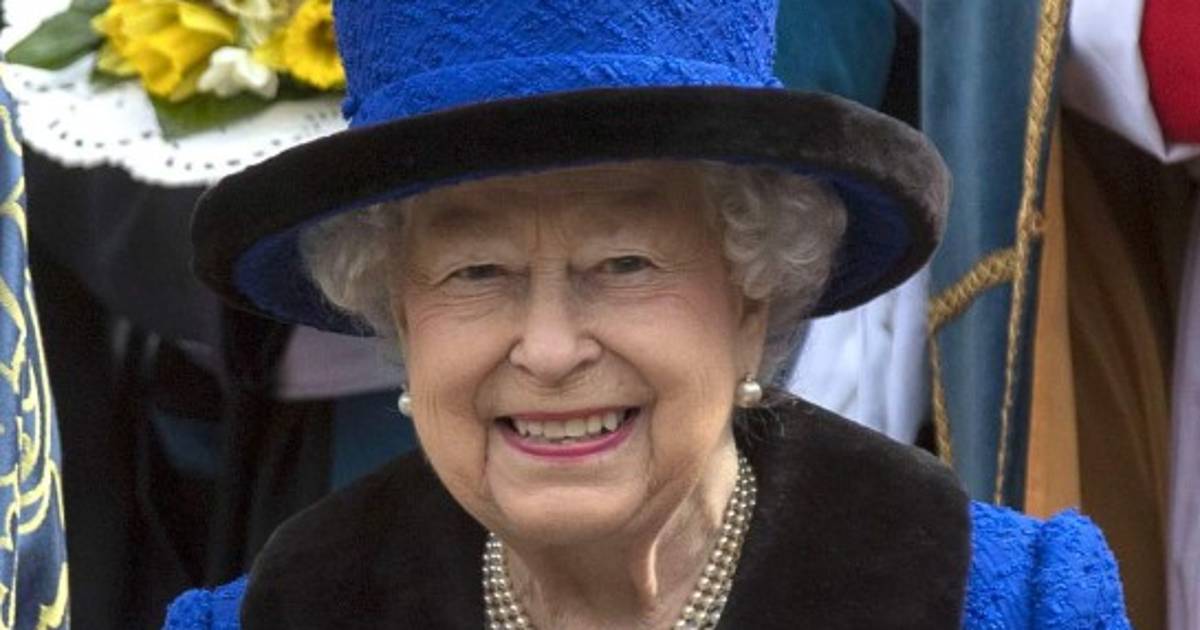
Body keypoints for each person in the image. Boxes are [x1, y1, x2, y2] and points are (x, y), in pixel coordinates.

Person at [164, 0, 1130, 627]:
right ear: (399, 315)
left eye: (623, 263)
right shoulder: (269, 617)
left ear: (753, 295)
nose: (548, 349)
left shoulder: (1006, 604)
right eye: (475, 272)